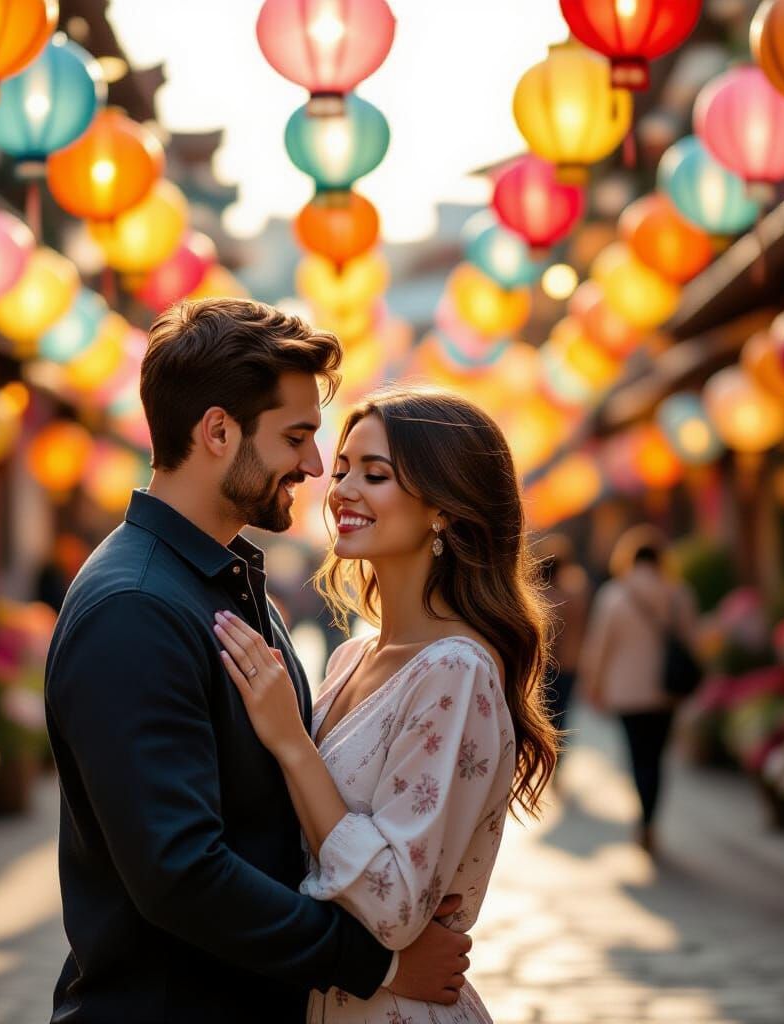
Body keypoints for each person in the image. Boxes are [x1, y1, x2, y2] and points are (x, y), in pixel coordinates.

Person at [44, 299, 474, 1024]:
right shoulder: (137, 608)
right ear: (217, 432)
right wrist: (379, 963)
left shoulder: (225, 582)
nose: (314, 466)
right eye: (297, 437)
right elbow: (180, 873)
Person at [214, 387, 558, 1022]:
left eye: (375, 475)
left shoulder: (456, 671)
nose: (342, 488)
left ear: (444, 510)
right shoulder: (351, 659)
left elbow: (397, 905)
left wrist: (291, 742)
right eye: (342, 468)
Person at [578, 524, 698, 854]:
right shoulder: (678, 593)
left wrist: (594, 684)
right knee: (657, 758)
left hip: (627, 692)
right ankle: (650, 821)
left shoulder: (614, 595)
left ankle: (642, 818)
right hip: (666, 691)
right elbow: (692, 642)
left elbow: (599, 646)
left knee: (636, 757)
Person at [536, 534, 590, 757]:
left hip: (546, 663)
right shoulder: (576, 593)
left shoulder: (541, 597)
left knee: (545, 711)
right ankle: (557, 755)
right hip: (570, 662)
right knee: (562, 712)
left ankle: (548, 753)